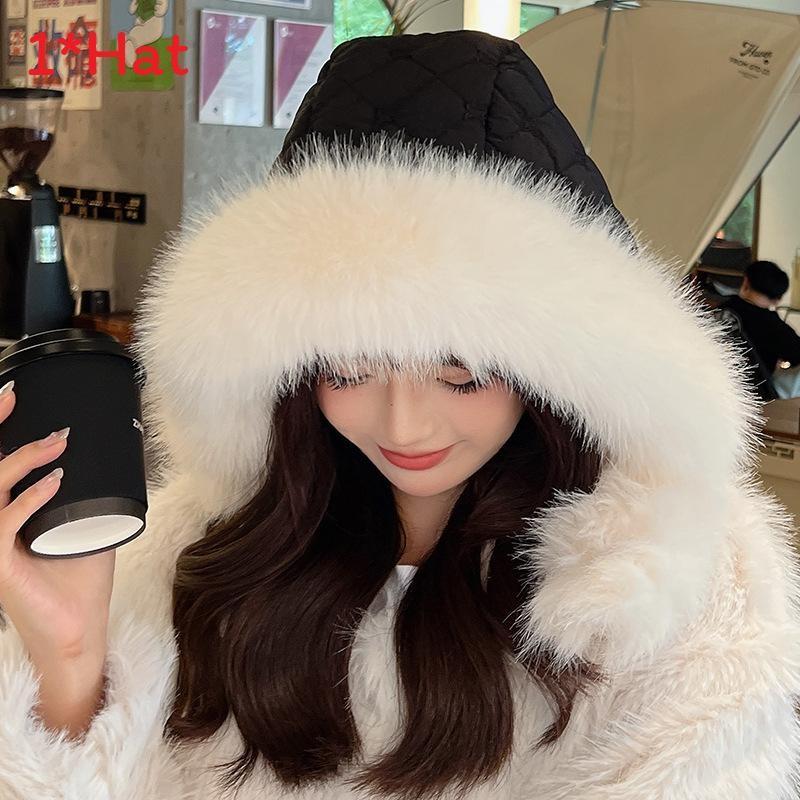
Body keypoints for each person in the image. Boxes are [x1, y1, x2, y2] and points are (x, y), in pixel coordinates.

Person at [1, 31, 799, 800]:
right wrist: (68, 664)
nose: (405, 427)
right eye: (348, 370)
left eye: (463, 375)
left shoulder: (670, 581)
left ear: (559, 370)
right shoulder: (202, 552)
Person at [721, 260, 800, 376]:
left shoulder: (722, 308)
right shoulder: (776, 328)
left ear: (746, 281)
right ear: (777, 299)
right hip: (746, 386)